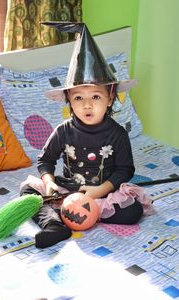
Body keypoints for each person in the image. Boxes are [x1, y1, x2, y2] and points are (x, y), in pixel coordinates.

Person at [20, 22, 152, 249]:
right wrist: (50, 183)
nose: (87, 105)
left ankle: (81, 214)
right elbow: (45, 161)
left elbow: (125, 170)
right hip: (67, 192)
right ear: (68, 99)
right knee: (27, 191)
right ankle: (55, 225)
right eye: (78, 97)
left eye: (96, 97)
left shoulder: (117, 134)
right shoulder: (64, 130)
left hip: (101, 194)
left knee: (133, 210)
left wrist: (100, 191)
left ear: (110, 98)